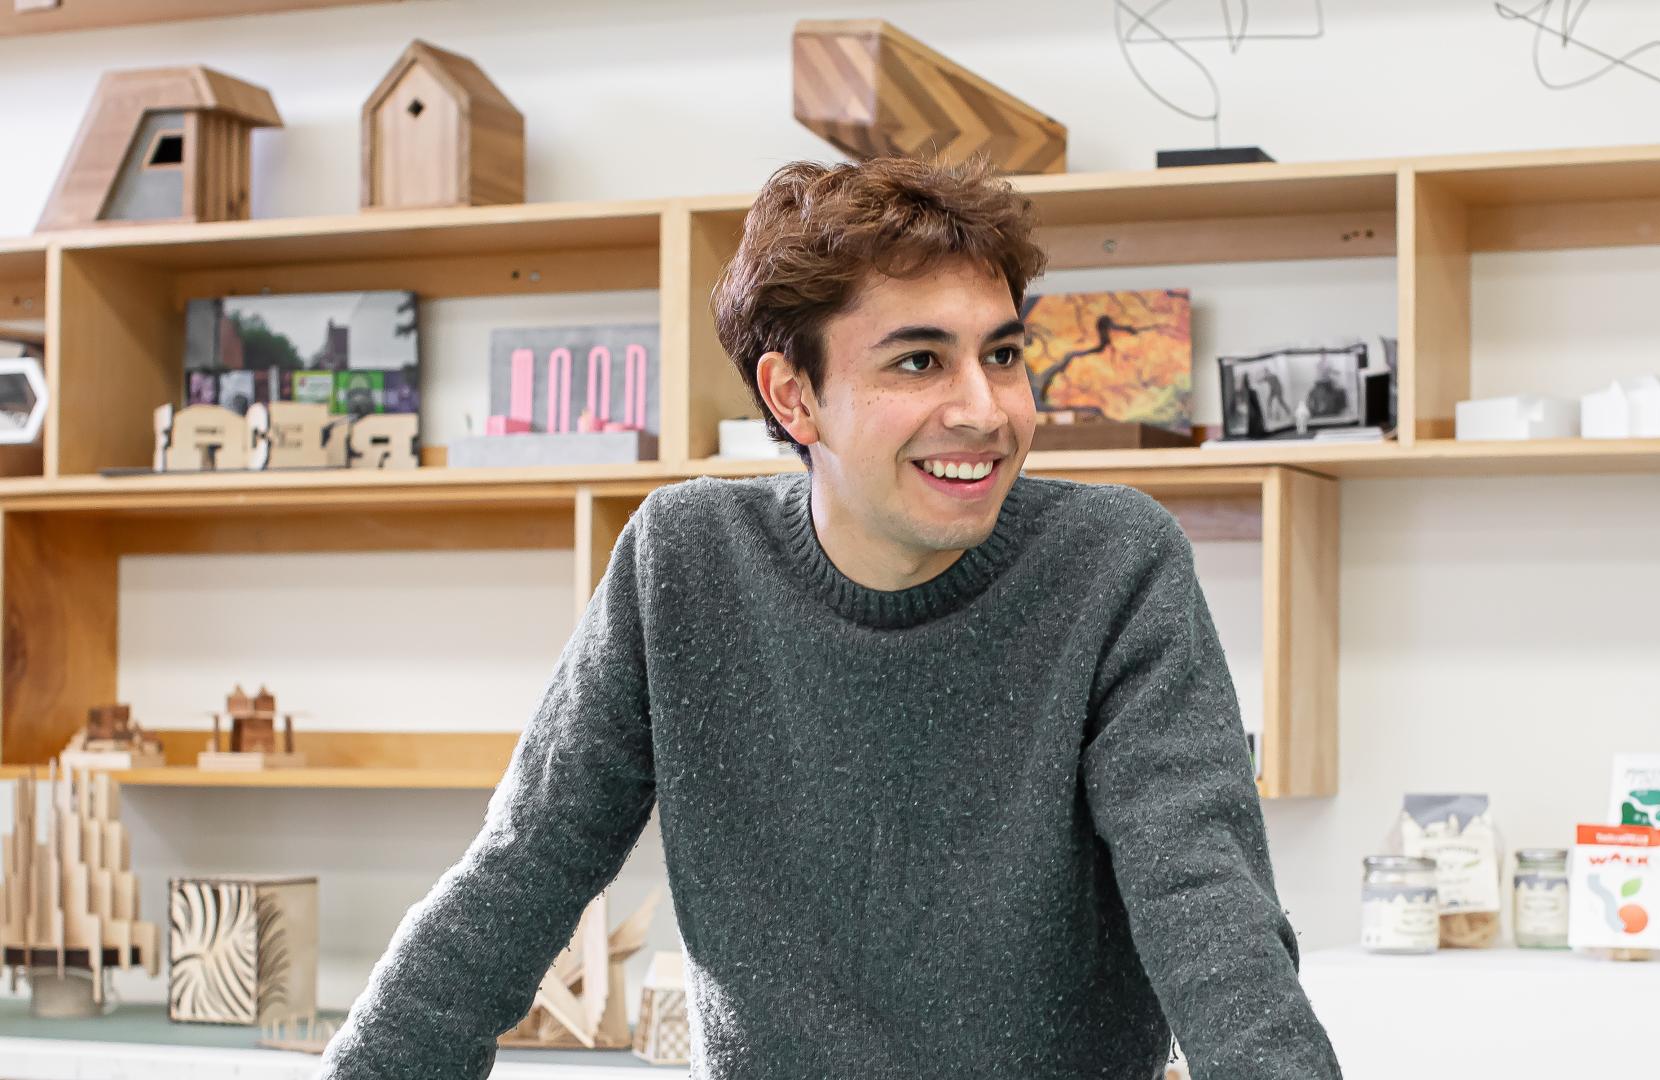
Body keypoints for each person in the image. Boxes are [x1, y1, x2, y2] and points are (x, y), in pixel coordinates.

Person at [319, 155, 1341, 1079]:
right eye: (918, 361)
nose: (985, 409)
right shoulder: (682, 562)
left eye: (1003, 355)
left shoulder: (1115, 562)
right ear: (793, 396)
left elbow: (1210, 915)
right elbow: (517, 879)